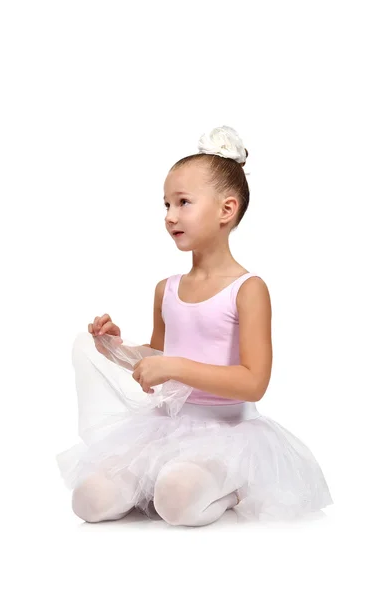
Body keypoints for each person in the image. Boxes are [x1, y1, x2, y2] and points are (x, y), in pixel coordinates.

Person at [56, 125, 333, 527]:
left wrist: (175, 368)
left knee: (178, 501)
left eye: (183, 203)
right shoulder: (166, 289)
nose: (170, 217)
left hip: (228, 433)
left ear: (226, 210)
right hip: (164, 428)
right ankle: (157, 483)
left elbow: (254, 382)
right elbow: (160, 357)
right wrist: (117, 349)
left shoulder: (248, 289)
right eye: (166, 205)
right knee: (89, 500)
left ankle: (238, 486)